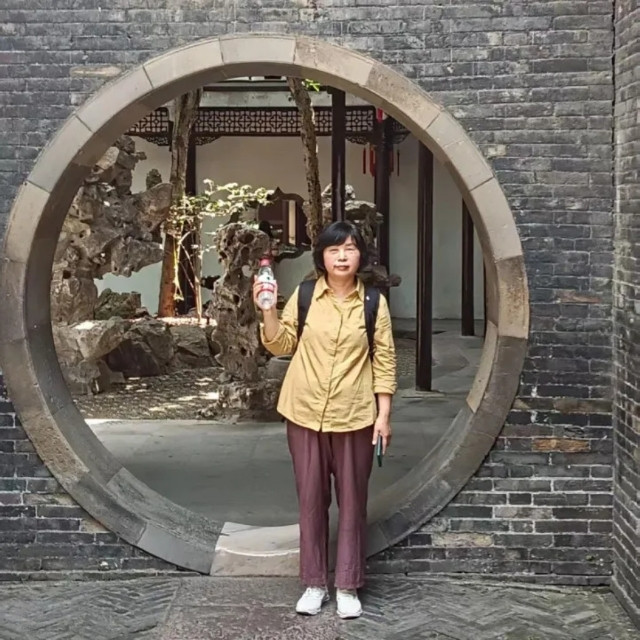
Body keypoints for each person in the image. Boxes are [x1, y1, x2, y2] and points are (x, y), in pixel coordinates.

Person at [254, 220, 397, 619]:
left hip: (354, 415)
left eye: (350, 249)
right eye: (334, 250)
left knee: (353, 502)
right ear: (321, 256)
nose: (342, 257)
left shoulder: (373, 302)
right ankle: (314, 584)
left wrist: (384, 416)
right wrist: (267, 310)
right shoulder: (305, 295)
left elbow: (385, 360)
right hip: (304, 412)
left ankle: (348, 585)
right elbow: (281, 344)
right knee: (311, 501)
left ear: (360, 256)